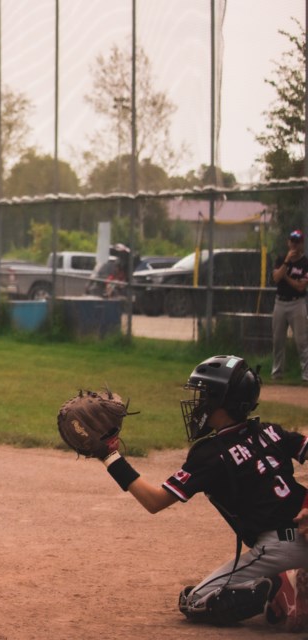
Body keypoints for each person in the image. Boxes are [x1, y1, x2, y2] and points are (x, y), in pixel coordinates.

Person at [99, 355, 308, 629]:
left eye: (205, 395)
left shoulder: (211, 454)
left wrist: (109, 456)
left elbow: (155, 501)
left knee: (196, 600)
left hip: (280, 548)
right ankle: (291, 582)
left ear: (222, 402)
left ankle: (277, 588)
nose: (199, 403)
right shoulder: (270, 431)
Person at [271, 229, 308, 383]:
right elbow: (275, 278)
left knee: (302, 341)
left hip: (297, 303)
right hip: (280, 302)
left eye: (297, 241)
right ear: (288, 242)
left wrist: (285, 276)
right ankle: (277, 374)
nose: (294, 244)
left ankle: (306, 375)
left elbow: (300, 287)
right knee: (278, 340)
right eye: (292, 240)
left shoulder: (305, 262)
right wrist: (286, 262)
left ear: (302, 243)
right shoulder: (281, 259)